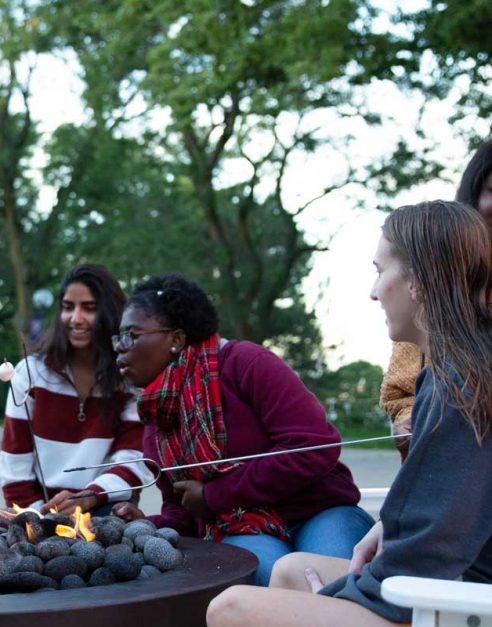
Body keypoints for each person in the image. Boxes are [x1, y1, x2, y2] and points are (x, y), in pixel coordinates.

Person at [207, 200, 492, 627]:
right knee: (288, 570)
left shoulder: (459, 386)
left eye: (380, 271)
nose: (373, 292)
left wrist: (341, 595)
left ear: (418, 280)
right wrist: (379, 541)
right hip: (451, 583)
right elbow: (444, 512)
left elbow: (431, 555)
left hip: (459, 600)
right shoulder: (462, 371)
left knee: (229, 608)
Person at [111, 274, 372, 586]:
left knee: (332, 584)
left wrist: (216, 494)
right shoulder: (157, 419)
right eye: (116, 340)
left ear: (176, 339)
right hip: (239, 528)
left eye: (130, 336)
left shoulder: (244, 363)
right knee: (273, 583)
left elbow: (314, 446)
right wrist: (148, 526)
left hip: (318, 511)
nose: (119, 351)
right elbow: (183, 510)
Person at [0, 263, 154, 515]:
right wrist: (38, 521)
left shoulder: (131, 378)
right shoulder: (31, 373)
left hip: (106, 507)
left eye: (89, 308)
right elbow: (15, 467)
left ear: (112, 313)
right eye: (68, 307)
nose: (76, 318)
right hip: (42, 512)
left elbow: (134, 460)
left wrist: (89, 497)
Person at [380, 137, 492, 460]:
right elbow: (399, 392)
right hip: (445, 472)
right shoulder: (436, 281)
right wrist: (409, 419)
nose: (375, 293)